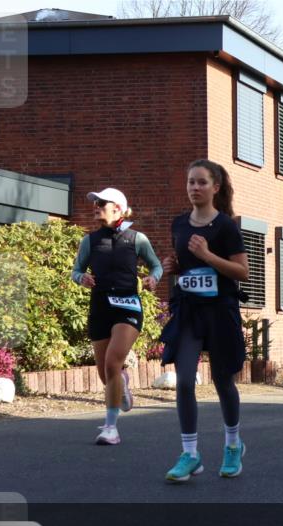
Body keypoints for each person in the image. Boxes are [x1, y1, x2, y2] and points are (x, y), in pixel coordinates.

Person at [161, 159, 249, 482]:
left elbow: (242, 272)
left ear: (216, 187)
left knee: (223, 380)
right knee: (184, 380)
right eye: (190, 182)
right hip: (189, 311)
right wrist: (173, 268)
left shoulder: (225, 226)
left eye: (201, 182)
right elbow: (186, 268)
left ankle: (232, 445)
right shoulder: (179, 224)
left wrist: (209, 256)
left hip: (220, 311)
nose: (194, 188)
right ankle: (190, 454)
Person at [72, 187, 162, 446]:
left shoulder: (137, 239)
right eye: (95, 202)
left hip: (128, 304)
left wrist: (152, 278)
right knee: (105, 373)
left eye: (102, 202)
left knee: (113, 361)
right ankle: (121, 381)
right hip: (100, 305)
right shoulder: (89, 240)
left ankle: (111, 428)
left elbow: (155, 265)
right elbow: (75, 270)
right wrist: (82, 278)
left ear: (118, 209)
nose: (96, 206)